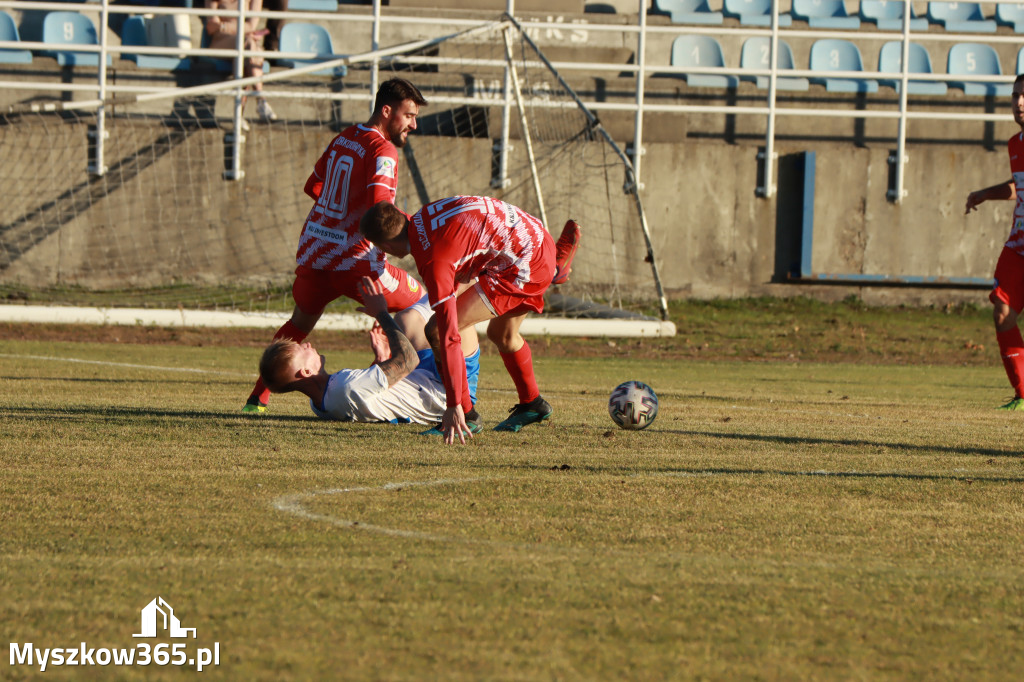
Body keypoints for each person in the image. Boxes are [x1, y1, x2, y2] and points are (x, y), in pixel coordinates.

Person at [243, 78, 429, 413]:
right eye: (409, 115)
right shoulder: (382, 150)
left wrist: (336, 219)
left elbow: (313, 185)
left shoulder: (345, 136)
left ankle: (258, 399)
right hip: (356, 265)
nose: (414, 124)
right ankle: (440, 391)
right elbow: (380, 211)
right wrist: (417, 231)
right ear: (387, 111)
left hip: (315, 255)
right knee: (425, 302)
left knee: (298, 324)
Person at [359, 195, 581, 444]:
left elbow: (450, 334)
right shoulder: (426, 215)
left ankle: (467, 414)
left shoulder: (434, 260)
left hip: (522, 264)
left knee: (435, 331)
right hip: (533, 236)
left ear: (385, 247)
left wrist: (453, 404)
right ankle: (533, 403)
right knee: (503, 336)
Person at [259, 277, 480, 426]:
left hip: (425, 376)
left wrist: (381, 360)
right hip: (450, 389)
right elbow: (408, 361)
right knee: (455, 302)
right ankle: (483, 269)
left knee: (406, 318)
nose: (306, 344)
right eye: (301, 349)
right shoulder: (343, 388)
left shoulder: (319, 403)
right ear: (305, 372)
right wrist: (380, 312)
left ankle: (464, 272)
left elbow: (368, 395)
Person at [965, 73, 1024, 410]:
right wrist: (985, 194)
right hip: (1019, 245)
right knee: (1003, 314)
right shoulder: (1015, 144)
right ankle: (1023, 393)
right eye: (1015, 95)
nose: (1019, 102)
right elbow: (1017, 185)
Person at [205, 0, 276, 125]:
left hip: (245, 43)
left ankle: (239, 116)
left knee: (248, 51)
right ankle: (260, 99)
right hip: (221, 41)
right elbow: (212, 27)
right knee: (250, 46)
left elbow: (252, 26)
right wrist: (239, 28)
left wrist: (224, 25)